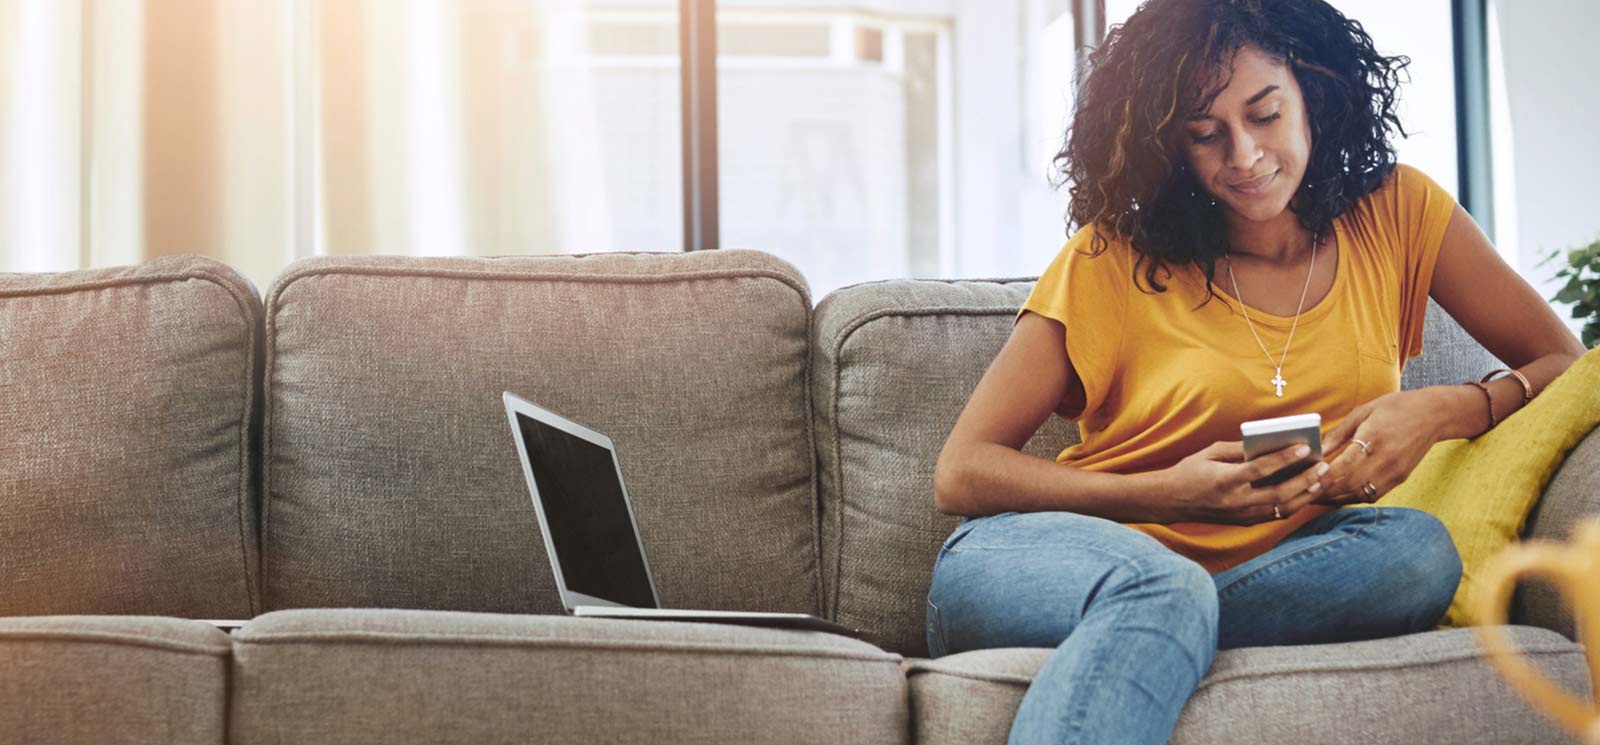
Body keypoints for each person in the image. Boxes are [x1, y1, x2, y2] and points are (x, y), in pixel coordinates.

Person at [925, 0, 1590, 743]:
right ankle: (1164, 611)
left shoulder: (1398, 214)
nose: (1243, 156)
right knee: (1162, 584)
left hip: (1276, 575)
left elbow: (1563, 359)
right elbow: (961, 472)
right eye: (1204, 135)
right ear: (1168, 146)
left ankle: (1161, 630)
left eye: (1265, 114)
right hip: (1044, 561)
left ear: (1315, 89)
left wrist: (1441, 410)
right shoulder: (1110, 256)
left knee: (1416, 552)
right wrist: (1162, 492)